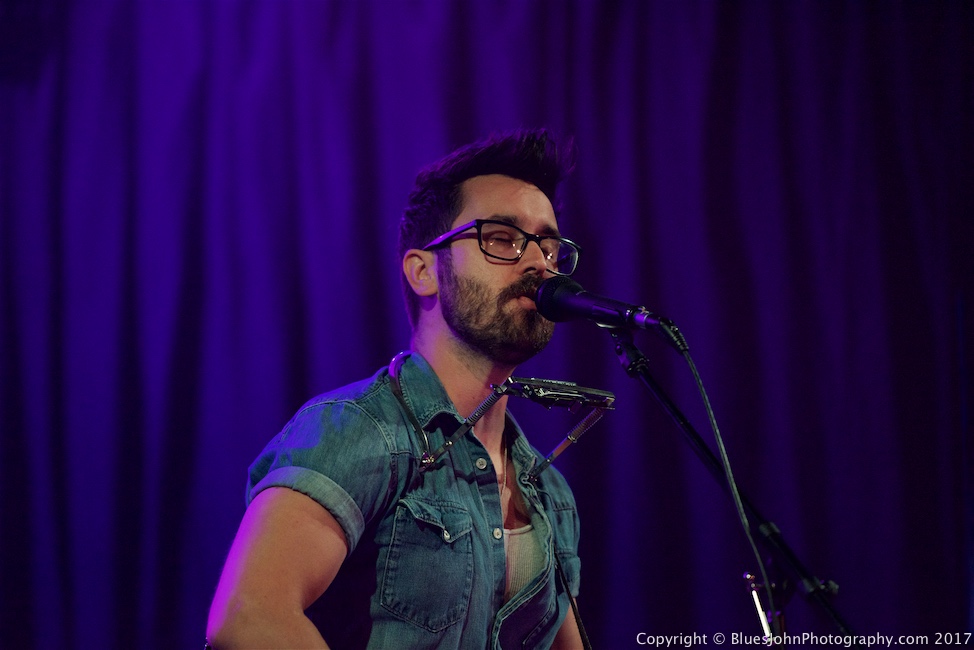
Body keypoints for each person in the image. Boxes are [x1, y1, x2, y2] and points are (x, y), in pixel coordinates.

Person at [206, 129, 586, 649]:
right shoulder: (356, 428)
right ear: (423, 271)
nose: (538, 262)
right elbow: (249, 617)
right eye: (502, 237)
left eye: (548, 245)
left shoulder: (549, 493)